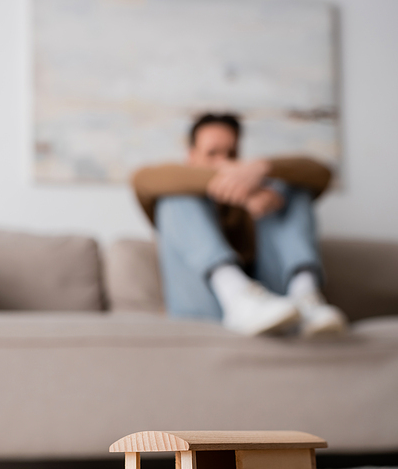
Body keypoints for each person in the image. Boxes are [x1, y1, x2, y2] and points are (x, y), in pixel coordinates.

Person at [131, 112, 347, 337]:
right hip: (200, 306)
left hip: (272, 307)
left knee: (291, 187)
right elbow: (141, 180)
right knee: (174, 197)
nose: (224, 162)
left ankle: (306, 298)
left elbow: (322, 174)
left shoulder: (261, 191)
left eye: (231, 153)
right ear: (191, 156)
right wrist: (243, 191)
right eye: (212, 153)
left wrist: (262, 168)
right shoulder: (174, 188)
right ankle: (237, 296)